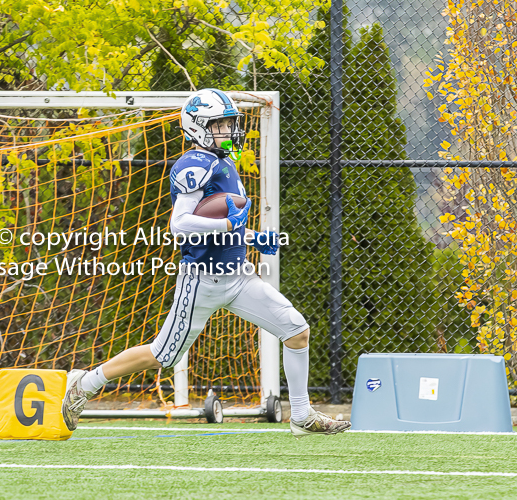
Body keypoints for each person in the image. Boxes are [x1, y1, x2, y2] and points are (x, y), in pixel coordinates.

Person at [62, 88, 351, 437]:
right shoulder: (193, 164)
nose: (229, 131)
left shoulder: (223, 162)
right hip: (201, 281)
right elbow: (180, 225)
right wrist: (229, 224)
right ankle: (85, 383)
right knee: (162, 355)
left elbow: (221, 226)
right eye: (221, 125)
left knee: (296, 330)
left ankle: (302, 415)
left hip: (239, 276)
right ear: (198, 127)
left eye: (231, 123)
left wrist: (251, 237)